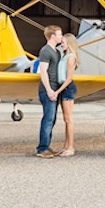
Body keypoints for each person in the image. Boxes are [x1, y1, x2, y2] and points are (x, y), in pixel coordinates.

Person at [35, 25, 64, 158]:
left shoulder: (57, 52)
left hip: (55, 89)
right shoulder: (45, 51)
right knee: (48, 119)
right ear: (52, 36)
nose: (61, 37)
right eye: (59, 34)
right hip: (49, 89)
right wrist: (49, 90)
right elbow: (43, 72)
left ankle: (46, 145)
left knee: (52, 119)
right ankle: (42, 149)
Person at [53, 33, 80, 157]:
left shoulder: (70, 57)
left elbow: (69, 78)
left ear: (69, 43)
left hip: (67, 88)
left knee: (69, 119)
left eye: (63, 42)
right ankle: (66, 146)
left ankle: (71, 148)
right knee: (66, 119)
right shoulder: (65, 56)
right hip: (64, 88)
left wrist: (57, 91)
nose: (61, 44)